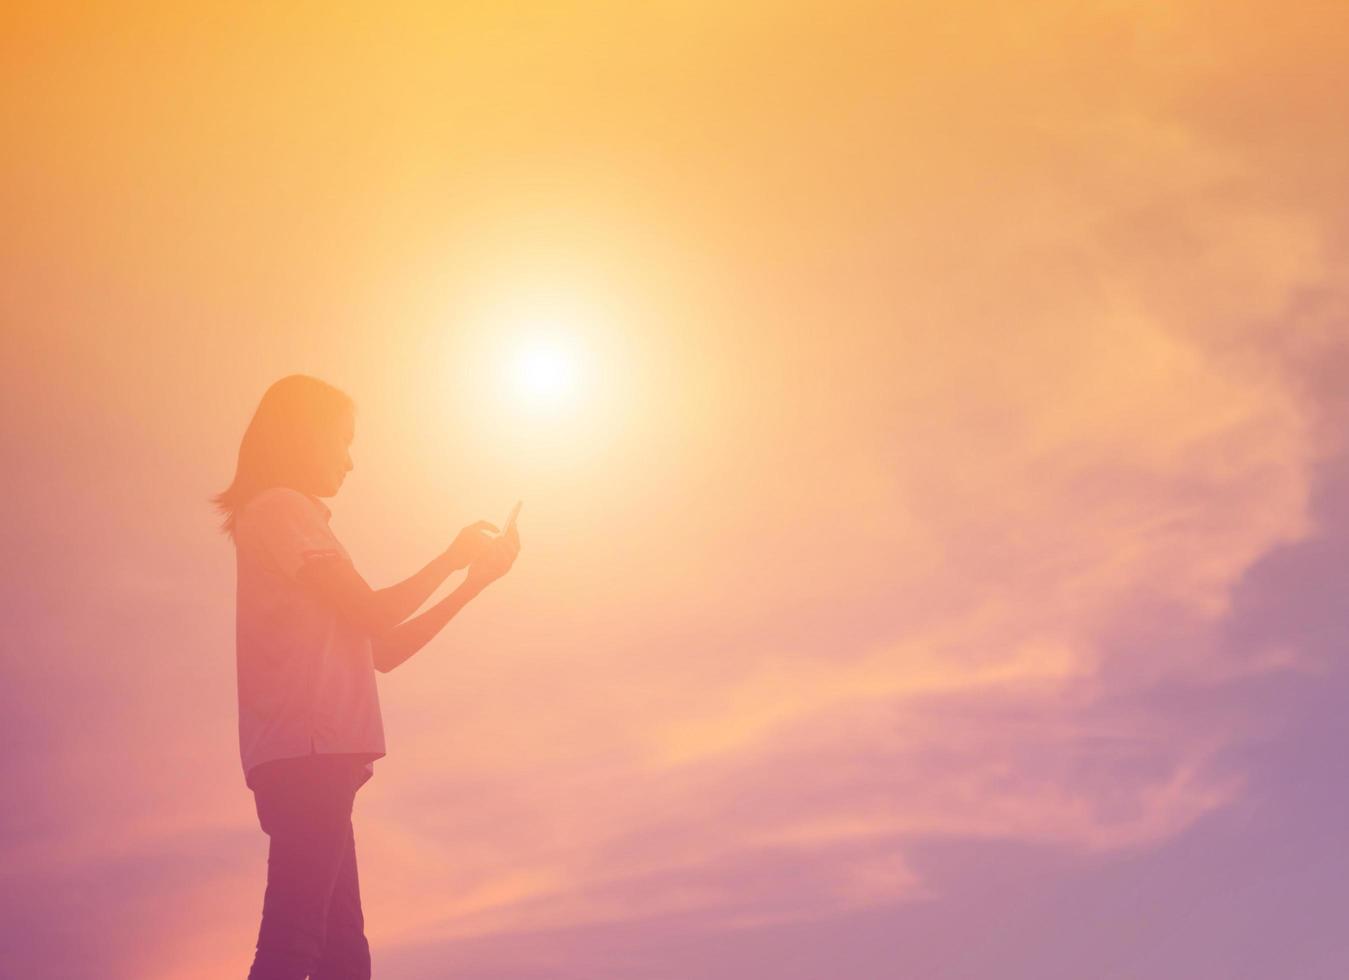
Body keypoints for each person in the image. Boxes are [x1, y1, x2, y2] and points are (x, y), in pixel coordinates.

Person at [211, 374, 520, 979]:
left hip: (314, 756)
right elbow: (377, 615)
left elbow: (384, 648)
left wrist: (474, 581)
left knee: (342, 954)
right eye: (342, 441)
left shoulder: (294, 519)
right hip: (310, 752)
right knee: (298, 941)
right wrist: (453, 558)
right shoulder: (282, 509)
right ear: (304, 436)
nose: (350, 462)